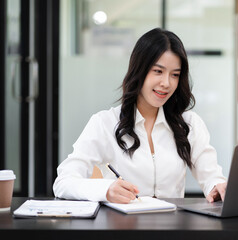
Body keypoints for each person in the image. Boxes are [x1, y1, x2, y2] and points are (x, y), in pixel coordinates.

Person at [53, 28, 227, 204]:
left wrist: (217, 187)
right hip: (122, 227)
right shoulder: (104, 123)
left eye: (174, 75)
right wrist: (105, 189)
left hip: (173, 227)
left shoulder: (189, 124)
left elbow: (212, 177)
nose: (166, 83)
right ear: (139, 70)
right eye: (158, 71)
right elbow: (63, 182)